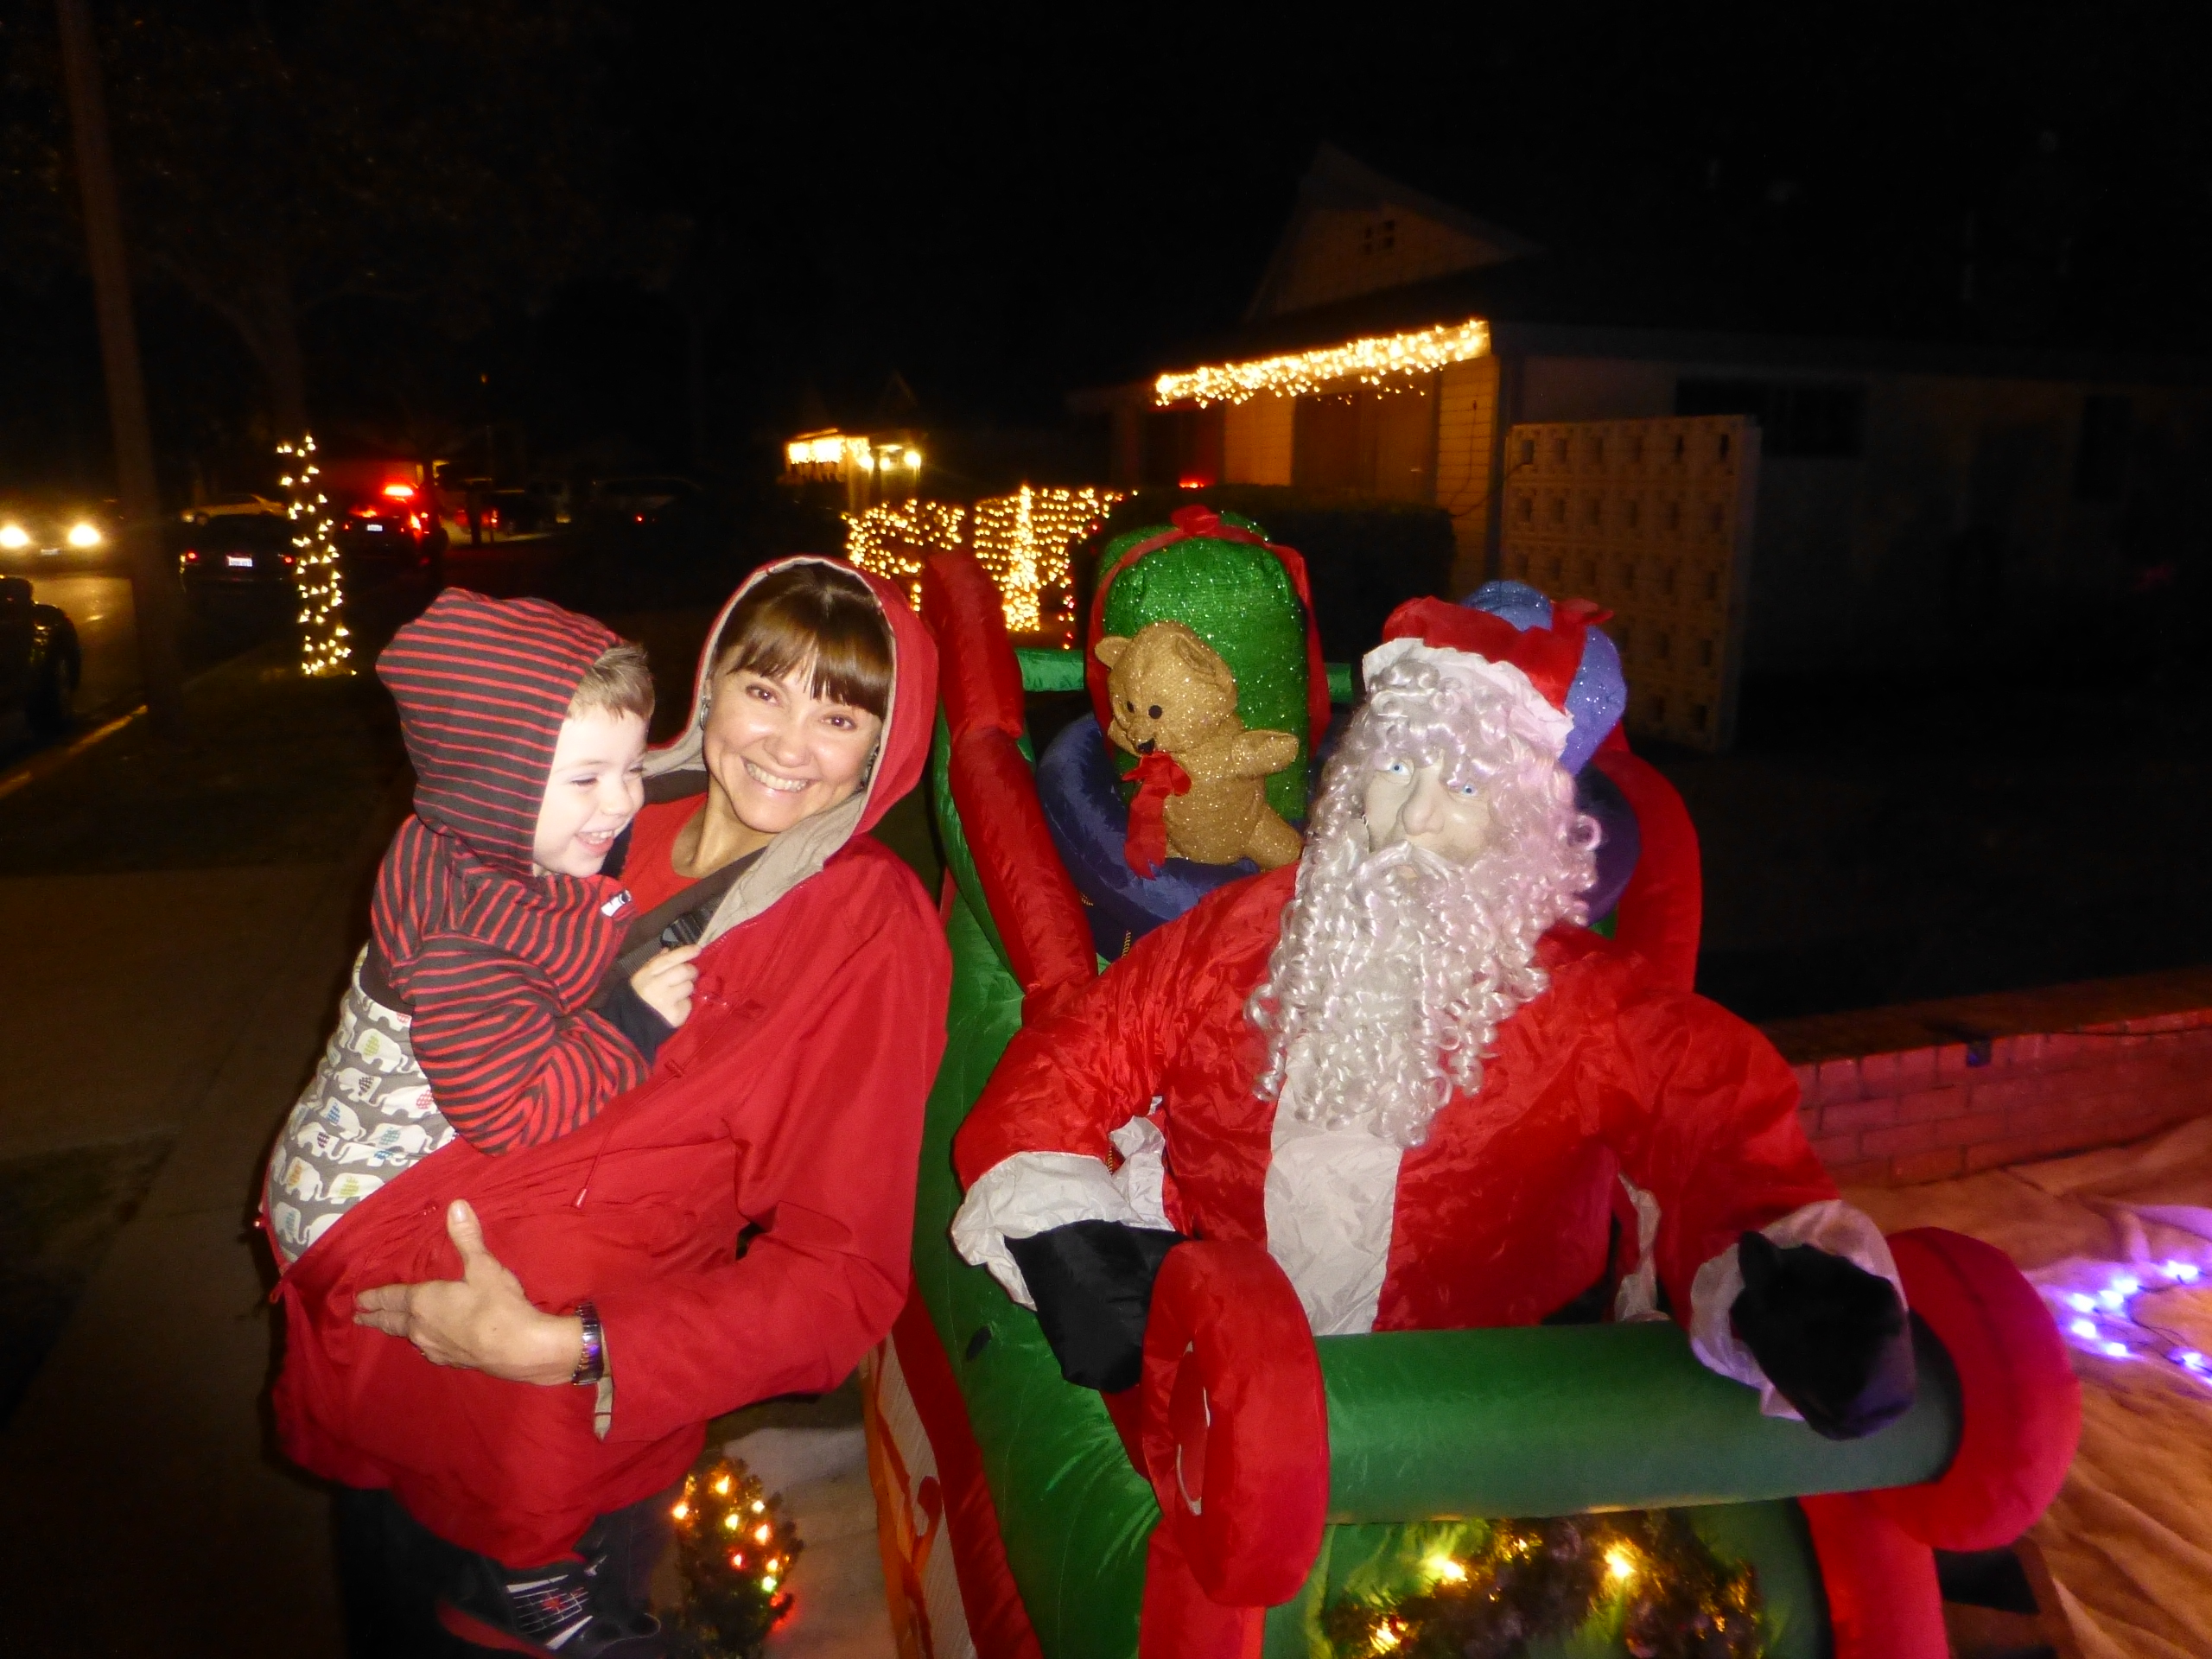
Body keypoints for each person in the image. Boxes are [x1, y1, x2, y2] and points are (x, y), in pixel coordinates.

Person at [951, 597, 1915, 1439]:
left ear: (1523, 825)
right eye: (1399, 767)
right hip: (1238, 1393)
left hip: (1482, 1424)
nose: (1414, 819)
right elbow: (1077, 1055)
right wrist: (1072, 1241)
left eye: (1463, 787)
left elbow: (1714, 1118)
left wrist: (1786, 1285)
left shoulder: (1585, 1002)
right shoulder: (1238, 933)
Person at [271, 559, 948, 1658]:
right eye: (763, 690)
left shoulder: (864, 928)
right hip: (385, 1355)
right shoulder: (593, 809)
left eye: (839, 717)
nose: (787, 744)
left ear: (882, 745)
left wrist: (569, 1346)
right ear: (710, 683)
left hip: (551, 1441)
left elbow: (844, 1275)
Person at [262, 588, 700, 1268]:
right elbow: (512, 1116)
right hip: (363, 1212)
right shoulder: (473, 945)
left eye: (633, 767)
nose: (624, 800)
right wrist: (628, 1025)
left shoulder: (457, 836)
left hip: (335, 1166)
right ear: (491, 789)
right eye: (585, 780)